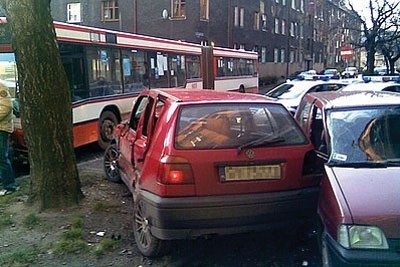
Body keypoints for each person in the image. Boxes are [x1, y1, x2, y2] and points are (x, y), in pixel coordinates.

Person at [0, 82, 17, 195]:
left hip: (1, 128)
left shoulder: (1, 87)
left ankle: (10, 185)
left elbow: (6, 107)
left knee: (2, 157)